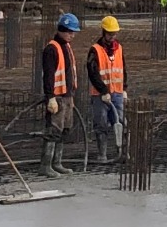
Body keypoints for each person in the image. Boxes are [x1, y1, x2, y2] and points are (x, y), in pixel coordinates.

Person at [41, 11, 80, 174]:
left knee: (65, 129)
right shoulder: (52, 49)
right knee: (53, 130)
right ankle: (45, 165)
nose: (72, 35)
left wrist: (71, 95)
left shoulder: (66, 46)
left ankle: (57, 162)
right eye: (70, 32)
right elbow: (48, 76)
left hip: (67, 96)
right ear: (62, 30)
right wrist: (50, 98)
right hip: (57, 97)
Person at [87, 14, 127, 159]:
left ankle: (122, 153)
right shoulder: (95, 50)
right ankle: (102, 154)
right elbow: (92, 72)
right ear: (103, 32)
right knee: (101, 124)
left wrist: (124, 89)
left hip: (117, 92)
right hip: (100, 95)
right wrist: (103, 90)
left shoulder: (119, 48)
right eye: (110, 34)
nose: (112, 36)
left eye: (114, 33)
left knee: (121, 122)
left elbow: (123, 69)